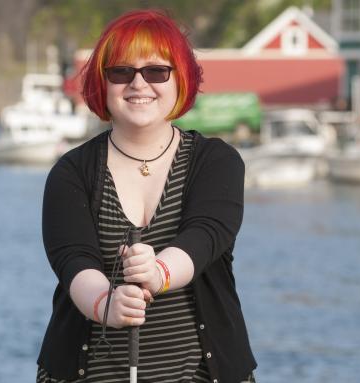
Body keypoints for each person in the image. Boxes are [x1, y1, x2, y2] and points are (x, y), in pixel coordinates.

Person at [37, 9, 255, 383]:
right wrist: (106, 304)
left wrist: (160, 272)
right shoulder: (71, 171)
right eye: (122, 72)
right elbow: (73, 260)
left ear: (179, 79)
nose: (139, 84)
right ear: (103, 84)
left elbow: (206, 234)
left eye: (156, 71)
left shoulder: (216, 162)